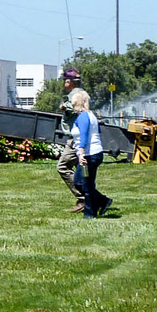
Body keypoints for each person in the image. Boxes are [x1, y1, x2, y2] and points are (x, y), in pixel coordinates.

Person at [71, 90, 113, 218]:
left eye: (73, 104)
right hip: (95, 153)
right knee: (80, 182)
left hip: (89, 154)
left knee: (85, 184)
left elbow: (83, 136)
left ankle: (90, 214)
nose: (73, 107)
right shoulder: (91, 115)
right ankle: (102, 201)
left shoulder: (83, 117)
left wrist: (82, 154)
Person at [56, 68, 87, 212]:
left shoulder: (75, 95)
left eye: (65, 81)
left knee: (62, 167)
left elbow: (73, 107)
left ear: (69, 82)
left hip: (76, 138)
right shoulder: (83, 93)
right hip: (79, 136)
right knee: (81, 172)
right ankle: (95, 198)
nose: (64, 83)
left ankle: (83, 198)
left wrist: (63, 106)